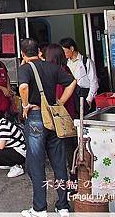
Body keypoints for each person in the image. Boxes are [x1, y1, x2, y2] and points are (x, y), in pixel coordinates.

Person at [18, 38, 76, 217]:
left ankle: (39, 208)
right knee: (59, 162)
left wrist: (26, 105)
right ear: (39, 51)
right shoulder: (52, 67)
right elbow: (72, 82)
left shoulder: (25, 68)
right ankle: (63, 205)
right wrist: (60, 102)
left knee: (36, 163)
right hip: (53, 117)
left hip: (36, 117)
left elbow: (24, 87)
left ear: (23, 54)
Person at [44, 43, 78, 189]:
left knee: (65, 152)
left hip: (62, 118)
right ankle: (73, 181)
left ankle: (70, 183)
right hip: (69, 116)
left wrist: (58, 104)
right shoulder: (66, 69)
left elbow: (58, 94)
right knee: (70, 151)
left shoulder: (57, 72)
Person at [59, 38, 98, 116]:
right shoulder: (66, 64)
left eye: (64, 51)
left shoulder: (86, 62)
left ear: (72, 48)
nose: (63, 54)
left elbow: (94, 83)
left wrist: (89, 100)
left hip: (84, 95)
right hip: (73, 97)